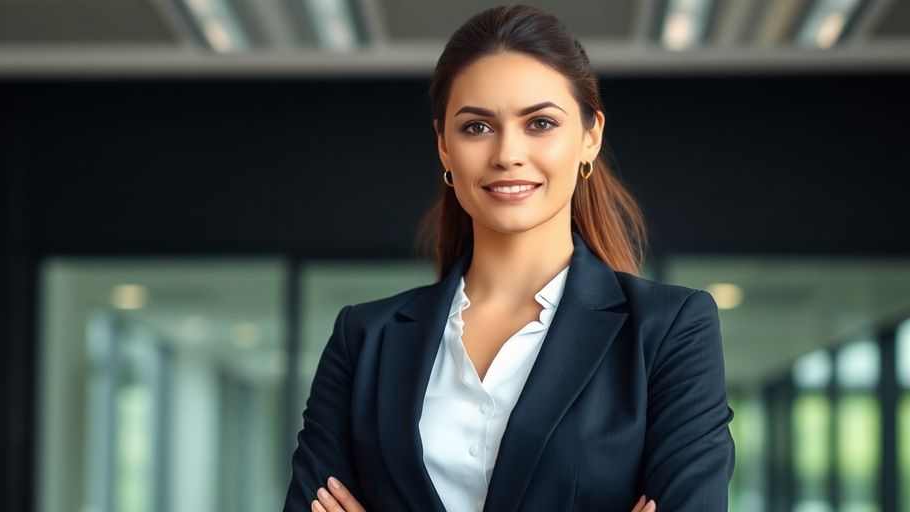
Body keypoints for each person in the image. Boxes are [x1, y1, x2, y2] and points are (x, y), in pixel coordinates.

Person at [285, 5, 735, 511]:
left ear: (590, 136)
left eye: (540, 123)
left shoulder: (669, 330)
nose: (507, 153)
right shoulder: (364, 338)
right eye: (476, 128)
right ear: (443, 147)